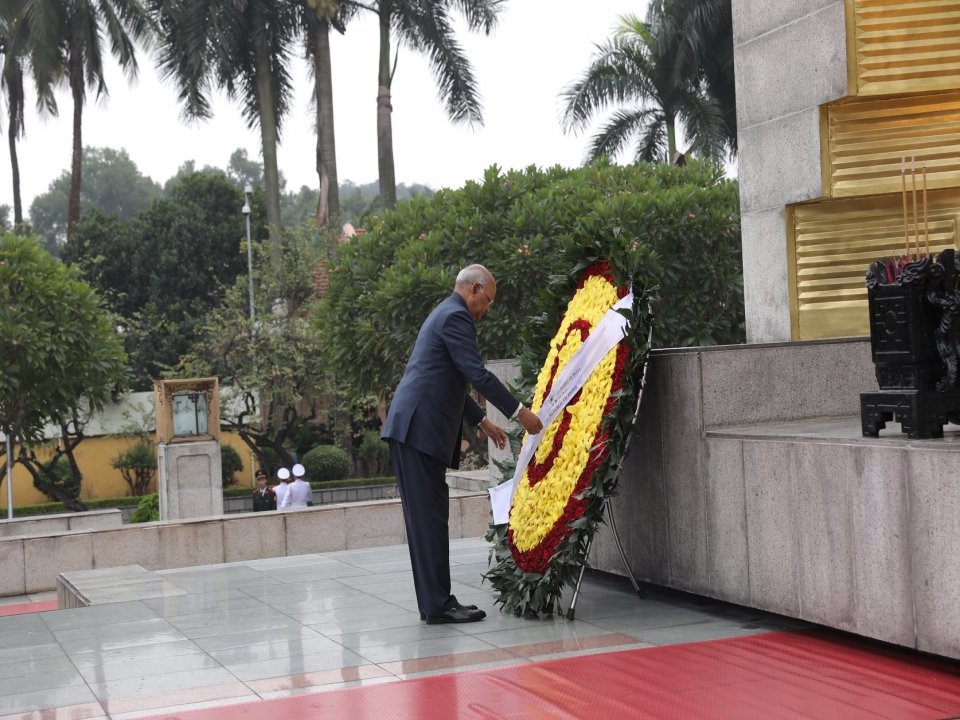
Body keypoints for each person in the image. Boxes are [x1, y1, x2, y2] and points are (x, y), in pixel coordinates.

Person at [382, 264, 543, 625]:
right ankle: (437, 604)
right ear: (473, 289)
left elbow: (451, 375)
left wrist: (481, 421)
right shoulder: (456, 317)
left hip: (414, 430)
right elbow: (476, 373)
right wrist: (519, 412)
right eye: (487, 301)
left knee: (431, 518)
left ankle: (438, 601)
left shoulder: (446, 313)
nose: (486, 310)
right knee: (428, 520)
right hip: (416, 431)